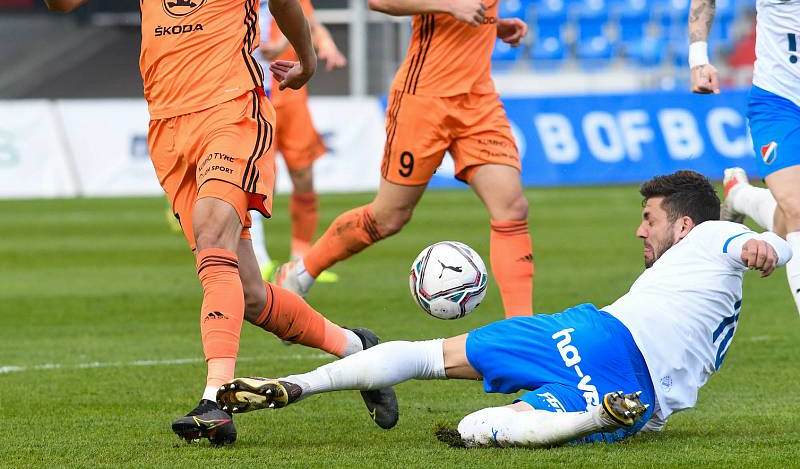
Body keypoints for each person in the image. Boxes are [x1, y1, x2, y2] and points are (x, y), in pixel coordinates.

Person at [25, 0, 396, 445]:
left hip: (235, 112)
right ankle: (361, 352)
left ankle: (214, 399)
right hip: (169, 130)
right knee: (249, 294)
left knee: (216, 233)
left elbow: (289, 5)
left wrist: (303, 62)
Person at [217, 170, 791, 448]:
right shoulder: (709, 261)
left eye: (651, 219)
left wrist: (763, 246)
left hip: (593, 333)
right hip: (621, 365)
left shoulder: (713, 234)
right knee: (476, 430)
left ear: (683, 224)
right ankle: (597, 416)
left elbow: (756, 244)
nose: (639, 230)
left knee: (427, 358)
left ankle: (300, 382)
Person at [275, 0, 534, 319]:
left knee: (512, 208)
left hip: (478, 99)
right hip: (424, 98)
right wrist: (449, 4)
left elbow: (467, 1)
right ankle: (301, 272)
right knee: (388, 217)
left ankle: (522, 335)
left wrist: (496, 25)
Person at [688, 0, 800, 317]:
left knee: (789, 213)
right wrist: (699, 57)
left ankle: (741, 196)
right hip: (778, 100)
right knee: (798, 211)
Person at [226, 0, 345, 283]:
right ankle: (256, 255)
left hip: (287, 89)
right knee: (247, 177)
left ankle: (301, 258)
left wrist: (324, 45)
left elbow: (306, 15)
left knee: (303, 175)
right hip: (241, 90)